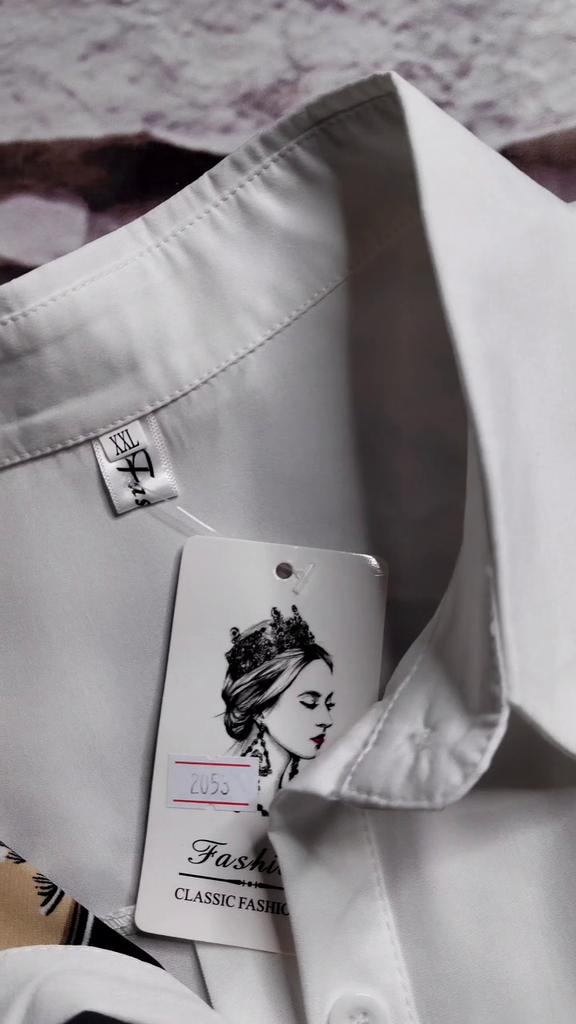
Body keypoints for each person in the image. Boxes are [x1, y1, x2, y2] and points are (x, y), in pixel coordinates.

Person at [221, 605, 335, 815]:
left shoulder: (289, 793)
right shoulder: (233, 794)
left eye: (329, 704)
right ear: (260, 708)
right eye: (309, 703)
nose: (327, 720)